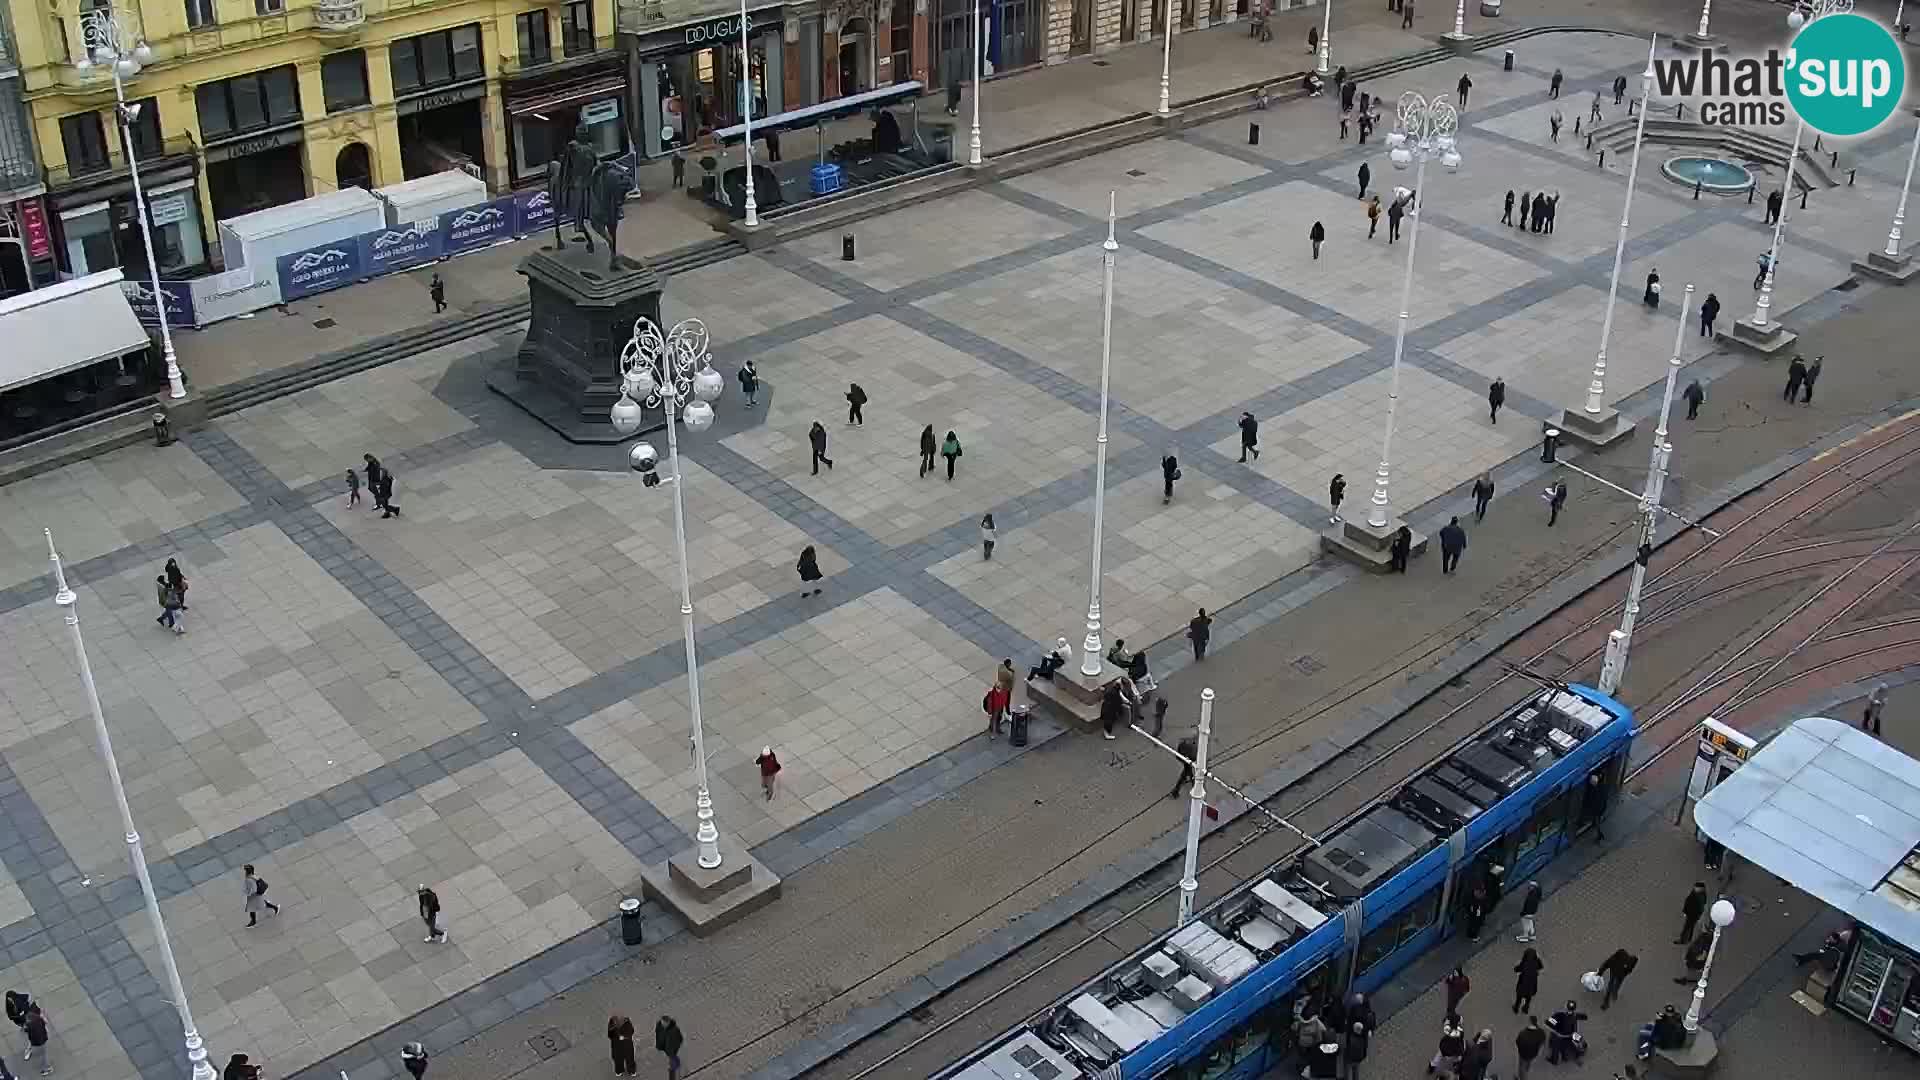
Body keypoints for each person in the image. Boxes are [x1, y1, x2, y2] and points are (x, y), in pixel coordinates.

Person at [1099, 675, 1139, 740]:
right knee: (1108, 721)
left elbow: (1118, 695)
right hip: (1109, 708)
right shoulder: (1114, 691)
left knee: (1109, 720)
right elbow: (1117, 699)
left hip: (1108, 706)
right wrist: (1125, 702)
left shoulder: (1115, 687)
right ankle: (1106, 734)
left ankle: (1106, 732)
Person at [1428, 1012, 1465, 1076]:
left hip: (1444, 1048)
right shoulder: (1460, 1032)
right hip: (1453, 1050)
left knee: (1438, 1057)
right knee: (1458, 1058)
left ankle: (1432, 1067)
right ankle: (1456, 1066)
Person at [1170, 729, 1199, 799]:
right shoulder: (1193, 746)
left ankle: (1192, 782)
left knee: (1187, 771)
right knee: (1185, 773)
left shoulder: (1184, 742)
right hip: (1188, 760)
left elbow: (1179, 750)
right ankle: (1175, 791)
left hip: (1183, 758)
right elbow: (1194, 756)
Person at [1514, 947, 1544, 1014]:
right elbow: (1541, 966)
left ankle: (1516, 1008)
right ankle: (1525, 1008)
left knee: (1519, 996)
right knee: (1528, 997)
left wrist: (1517, 968)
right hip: (1532, 984)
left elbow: (1516, 969)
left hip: (1523, 983)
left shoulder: (1524, 963)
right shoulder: (1537, 962)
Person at [1578, 770, 1607, 839]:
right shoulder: (1600, 787)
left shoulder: (1594, 789)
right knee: (1597, 819)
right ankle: (1598, 833)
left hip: (1596, 808)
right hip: (1599, 808)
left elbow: (1591, 798)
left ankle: (1598, 833)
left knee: (1597, 818)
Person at [1514, 1016, 1545, 1080]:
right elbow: (1542, 1041)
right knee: (1528, 1062)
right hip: (1533, 1053)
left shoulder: (1523, 1034)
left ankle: (1521, 1078)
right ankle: (1527, 1070)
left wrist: (1520, 1051)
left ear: (1529, 1022)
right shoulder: (1541, 1032)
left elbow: (1518, 1043)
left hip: (1524, 1054)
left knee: (1522, 1067)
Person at [655, 1015, 684, 1080]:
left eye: (665, 1023)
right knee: (671, 1057)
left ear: (668, 1022)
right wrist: (659, 1045)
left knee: (672, 1059)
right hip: (665, 1047)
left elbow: (680, 1039)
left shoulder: (675, 1029)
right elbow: (658, 1036)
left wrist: (675, 1047)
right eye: (663, 1023)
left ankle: (673, 1073)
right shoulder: (659, 1027)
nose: (664, 1024)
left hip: (672, 1050)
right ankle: (676, 1063)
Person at [23, 1004, 47, 1075]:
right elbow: (45, 1023)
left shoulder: (30, 1025)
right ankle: (28, 1051)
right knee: (39, 1048)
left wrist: (25, 1027)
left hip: (38, 1039)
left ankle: (47, 1067)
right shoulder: (38, 1020)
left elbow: (26, 1030)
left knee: (44, 1052)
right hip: (40, 1037)